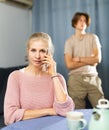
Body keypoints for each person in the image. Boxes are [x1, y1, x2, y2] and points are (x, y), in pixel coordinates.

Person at [4, 32, 75, 125]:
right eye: (33, 50)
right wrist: (49, 111)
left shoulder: (58, 78)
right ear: (28, 51)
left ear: (49, 53)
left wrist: (54, 75)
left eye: (42, 51)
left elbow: (66, 111)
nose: (37, 56)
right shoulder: (15, 77)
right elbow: (9, 117)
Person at [64, 12, 104, 109]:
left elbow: (97, 59)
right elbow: (69, 65)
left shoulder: (93, 38)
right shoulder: (69, 41)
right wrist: (90, 61)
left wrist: (78, 59)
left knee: (102, 109)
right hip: (75, 79)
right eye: (80, 20)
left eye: (85, 21)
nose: (83, 23)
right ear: (75, 23)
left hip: (92, 78)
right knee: (76, 111)